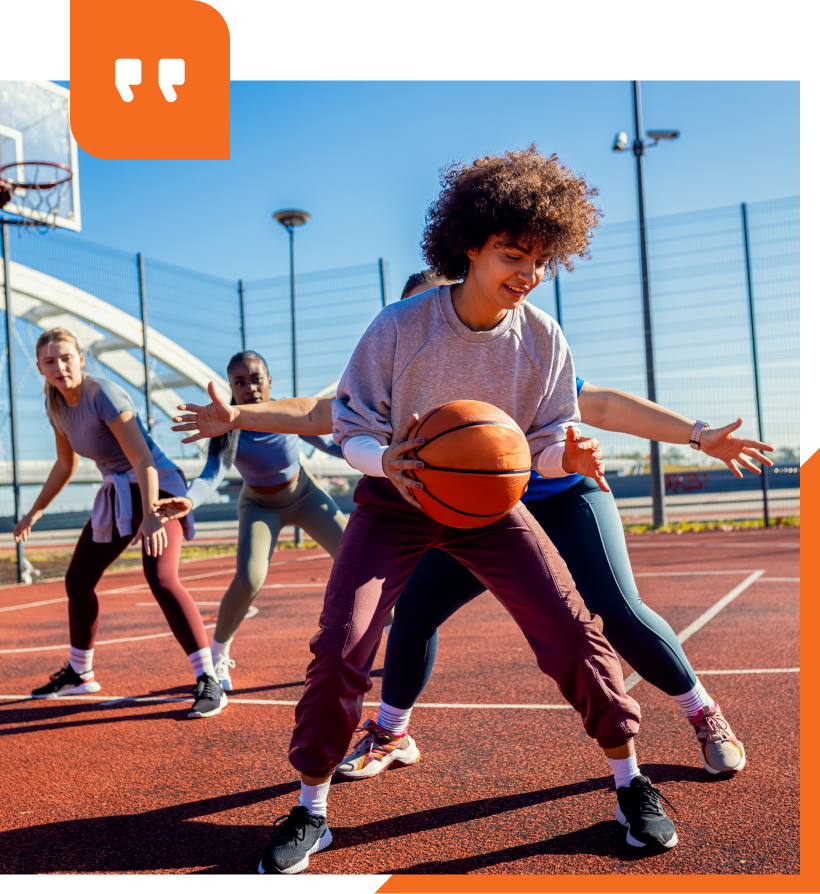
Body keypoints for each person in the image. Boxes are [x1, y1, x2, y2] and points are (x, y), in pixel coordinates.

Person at [175, 146, 679, 872]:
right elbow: (345, 423)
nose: (528, 274)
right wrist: (390, 461)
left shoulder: (541, 339)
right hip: (394, 501)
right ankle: (310, 810)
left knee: (571, 631)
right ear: (468, 246)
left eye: (540, 261)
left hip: (488, 504)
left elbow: (537, 445)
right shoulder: (401, 327)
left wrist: (562, 461)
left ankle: (632, 784)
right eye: (513, 254)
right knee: (342, 645)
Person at [335, 272, 771, 784]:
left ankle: (704, 714)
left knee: (616, 606)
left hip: (562, 496)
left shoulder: (521, 356)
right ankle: (391, 732)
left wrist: (697, 436)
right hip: (483, 514)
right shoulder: (399, 356)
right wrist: (243, 416)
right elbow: (328, 416)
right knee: (415, 610)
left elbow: (602, 405)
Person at [14, 328, 226, 719]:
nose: (59, 367)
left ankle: (209, 678)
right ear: (41, 368)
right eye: (49, 361)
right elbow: (65, 464)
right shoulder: (56, 404)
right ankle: (80, 673)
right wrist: (35, 511)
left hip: (159, 490)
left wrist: (149, 516)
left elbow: (143, 460)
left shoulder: (103, 394)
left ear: (81, 358)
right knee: (78, 580)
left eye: (66, 357)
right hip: (120, 493)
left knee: (161, 577)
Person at [153, 350, 348, 691]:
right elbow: (212, 474)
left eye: (256, 379)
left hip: (304, 495)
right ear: (231, 387)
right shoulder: (227, 427)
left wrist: (376, 451)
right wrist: (190, 499)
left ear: (269, 382)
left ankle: (396, 637)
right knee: (249, 579)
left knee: (356, 559)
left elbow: (332, 446)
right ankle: (217, 656)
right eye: (240, 382)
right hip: (259, 506)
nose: (250, 388)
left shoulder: (288, 414)